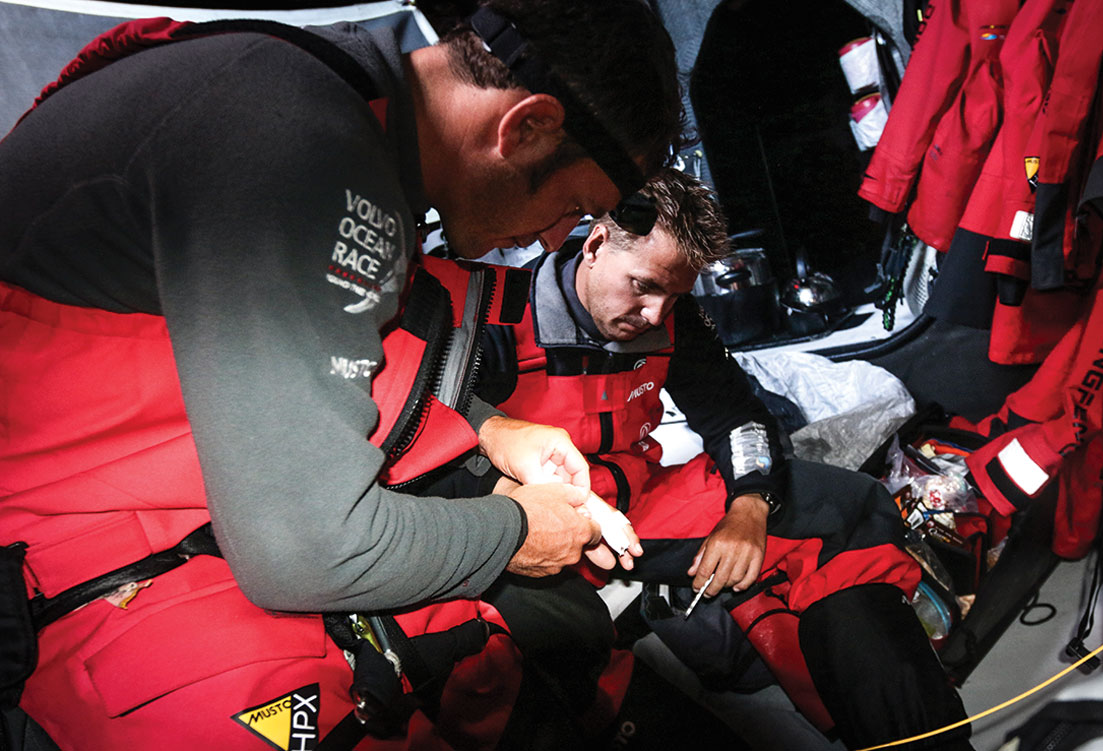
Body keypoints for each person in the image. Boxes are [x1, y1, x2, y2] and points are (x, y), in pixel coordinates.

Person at [0, 2, 684, 749]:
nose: (556, 238)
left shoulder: (334, 98)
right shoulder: (296, 148)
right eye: (573, 206)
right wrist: (517, 532)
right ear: (526, 127)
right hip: (64, 548)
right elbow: (307, 552)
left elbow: (287, 350)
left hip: (169, 492)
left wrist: (494, 428)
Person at [476, 168, 976, 751]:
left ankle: (908, 739)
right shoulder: (492, 326)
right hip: (528, 522)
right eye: (643, 286)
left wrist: (749, 505)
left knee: (845, 508)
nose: (658, 314)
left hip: (639, 504)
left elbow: (735, 415)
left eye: (675, 296)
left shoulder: (670, 319)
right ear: (594, 247)